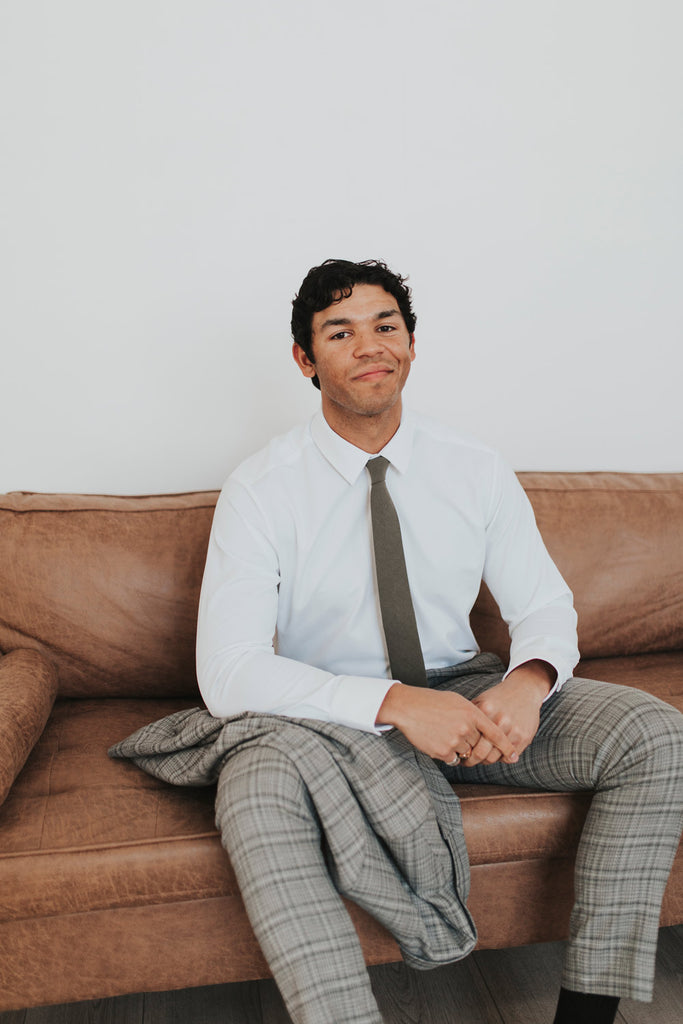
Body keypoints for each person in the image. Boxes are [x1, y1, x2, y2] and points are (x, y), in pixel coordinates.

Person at [196, 259, 683, 1024]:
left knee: (654, 734)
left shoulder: (474, 467)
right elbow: (228, 672)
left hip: (464, 693)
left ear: (412, 344)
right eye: (339, 331)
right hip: (329, 719)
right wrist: (391, 704)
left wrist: (527, 680)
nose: (369, 346)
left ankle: (586, 1014)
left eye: (385, 325)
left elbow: (544, 603)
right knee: (254, 787)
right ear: (305, 360)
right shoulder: (261, 488)